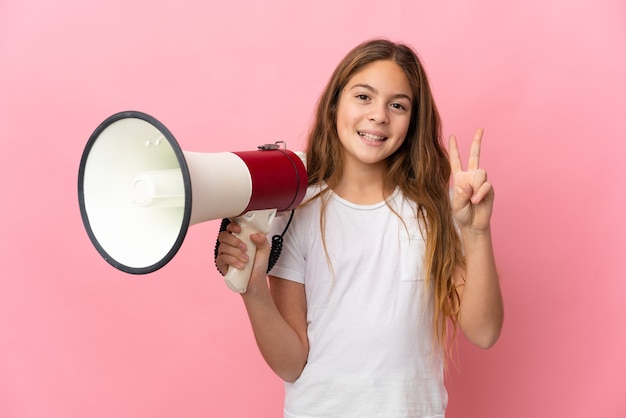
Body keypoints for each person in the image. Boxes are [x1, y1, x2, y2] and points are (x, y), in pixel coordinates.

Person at [215, 38, 504, 418]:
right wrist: (252, 288)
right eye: (364, 97)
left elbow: (484, 333)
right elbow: (291, 363)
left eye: (397, 105)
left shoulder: (433, 213)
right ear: (335, 104)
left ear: (412, 122)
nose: (379, 115)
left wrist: (477, 233)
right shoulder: (297, 211)